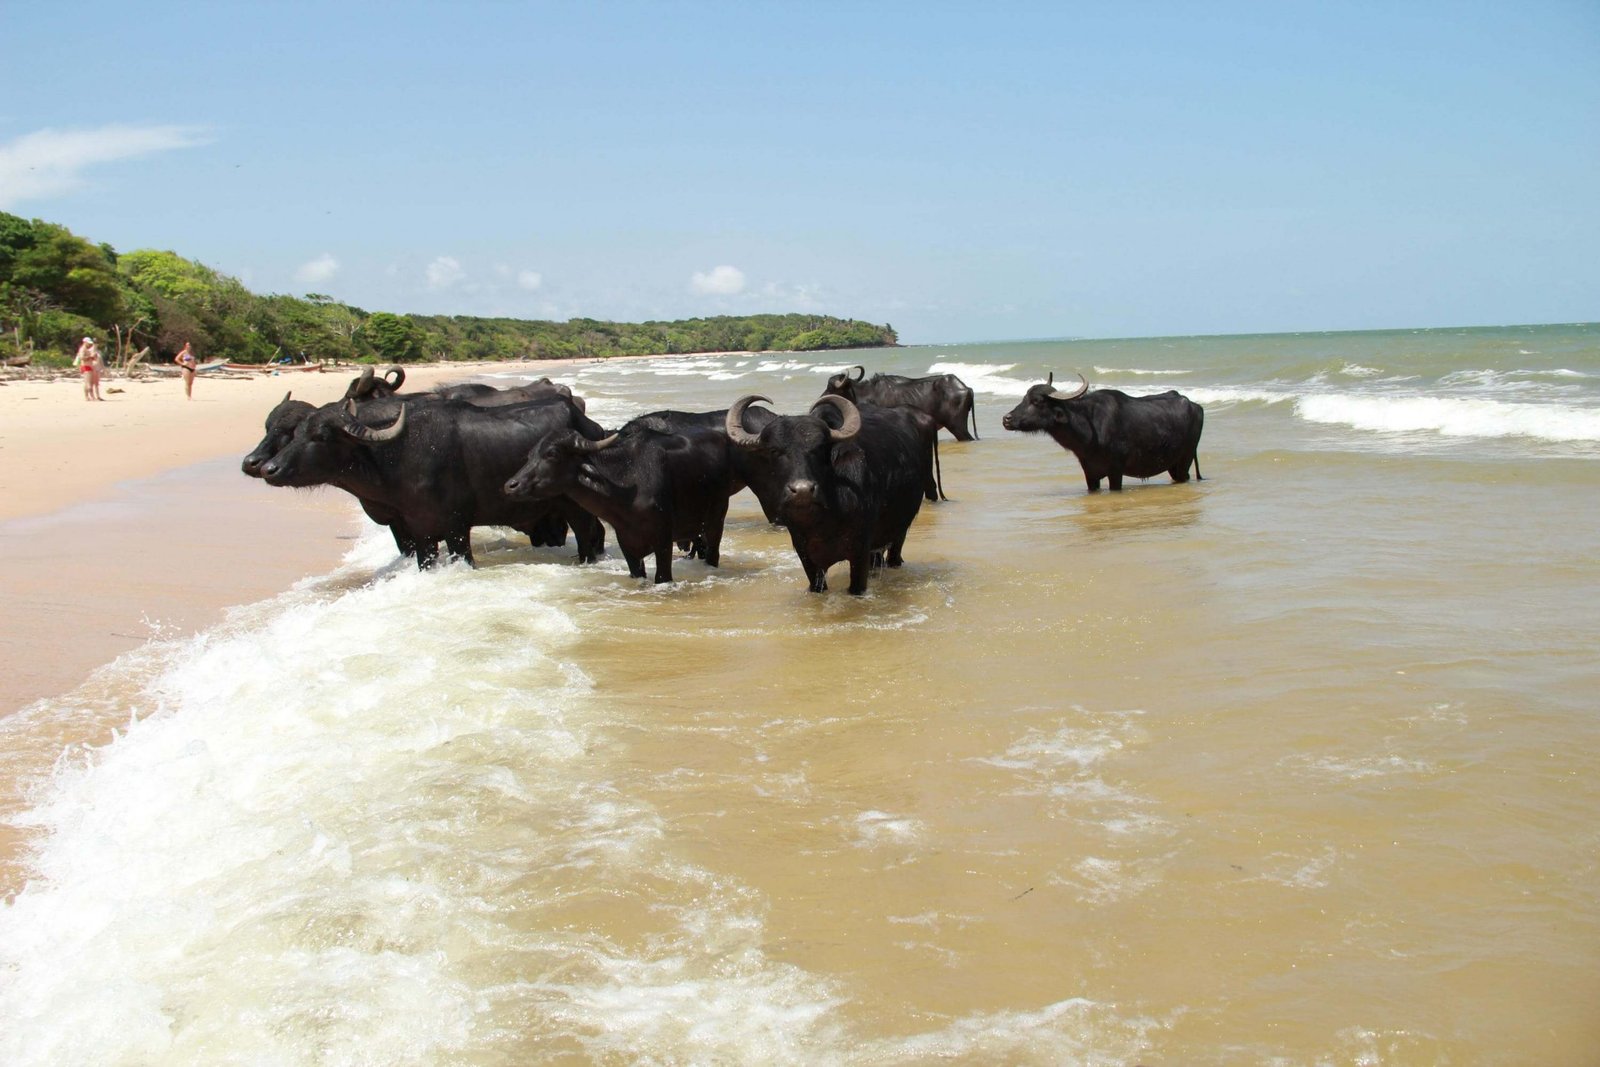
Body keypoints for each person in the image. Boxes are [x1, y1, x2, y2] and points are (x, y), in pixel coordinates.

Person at [73, 336, 105, 401]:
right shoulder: (82, 349)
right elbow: (82, 358)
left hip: (89, 366)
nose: (89, 344)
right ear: (84, 342)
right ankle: (91, 397)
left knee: (87, 382)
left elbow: (91, 358)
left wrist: (93, 357)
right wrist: (90, 357)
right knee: (88, 383)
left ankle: (87, 397)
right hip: (85, 367)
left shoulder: (87, 349)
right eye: (88, 343)